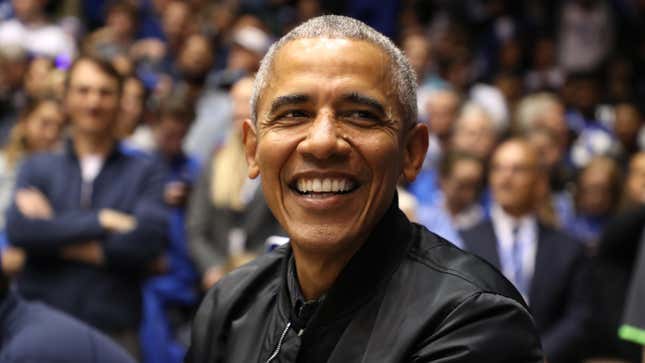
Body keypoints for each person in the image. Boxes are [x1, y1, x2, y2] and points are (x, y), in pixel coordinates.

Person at [187, 15, 543, 362]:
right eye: (294, 114)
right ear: (252, 150)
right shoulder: (231, 305)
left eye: (360, 115)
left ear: (412, 152)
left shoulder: (474, 318)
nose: (322, 143)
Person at [5, 55, 168, 358]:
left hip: (114, 331)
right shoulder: (38, 166)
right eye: (83, 91)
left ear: (120, 101)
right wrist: (102, 221)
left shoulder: (145, 170)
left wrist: (53, 234)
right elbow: (20, 231)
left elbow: (146, 242)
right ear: (66, 98)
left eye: (105, 92)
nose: (93, 102)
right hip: (39, 333)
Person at [461, 139, 591, 363]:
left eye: (517, 169)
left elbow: (580, 316)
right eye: (498, 168)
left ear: (539, 181)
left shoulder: (569, 248)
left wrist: (540, 355)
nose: (505, 178)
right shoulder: (464, 241)